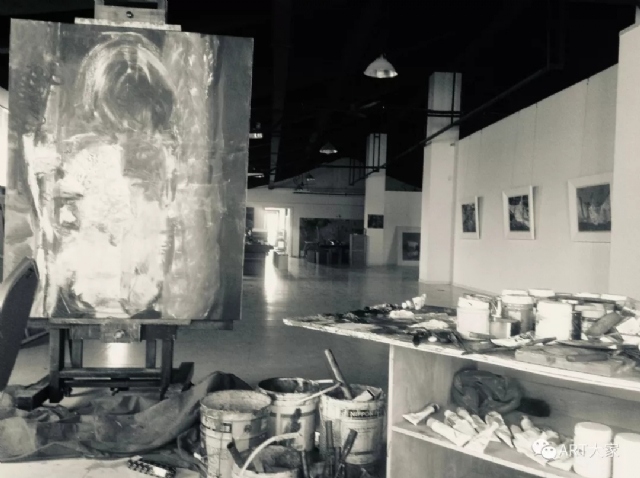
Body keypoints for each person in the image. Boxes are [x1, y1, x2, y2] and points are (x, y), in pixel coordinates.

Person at [49, 32, 179, 318]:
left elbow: (164, 232)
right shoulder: (88, 161)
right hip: (95, 287)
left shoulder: (166, 163)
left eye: (137, 119)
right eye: (120, 120)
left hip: (139, 289)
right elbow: (67, 228)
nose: (128, 131)